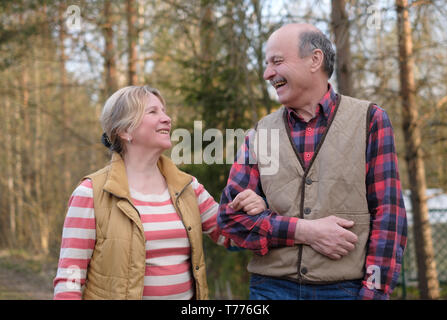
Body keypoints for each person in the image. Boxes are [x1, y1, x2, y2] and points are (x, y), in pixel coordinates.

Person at [217, 23, 408, 300]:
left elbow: (388, 215)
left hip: (345, 290)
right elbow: (230, 218)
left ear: (315, 60)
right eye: (267, 64)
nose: (267, 73)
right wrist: (303, 231)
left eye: (277, 61)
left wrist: (374, 290)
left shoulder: (370, 120)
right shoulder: (262, 132)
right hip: (270, 289)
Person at [53, 85, 266, 300]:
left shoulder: (188, 187)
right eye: (153, 112)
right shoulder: (91, 193)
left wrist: (252, 210)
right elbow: (70, 275)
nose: (167, 118)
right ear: (125, 131)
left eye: (164, 111)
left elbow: (231, 235)